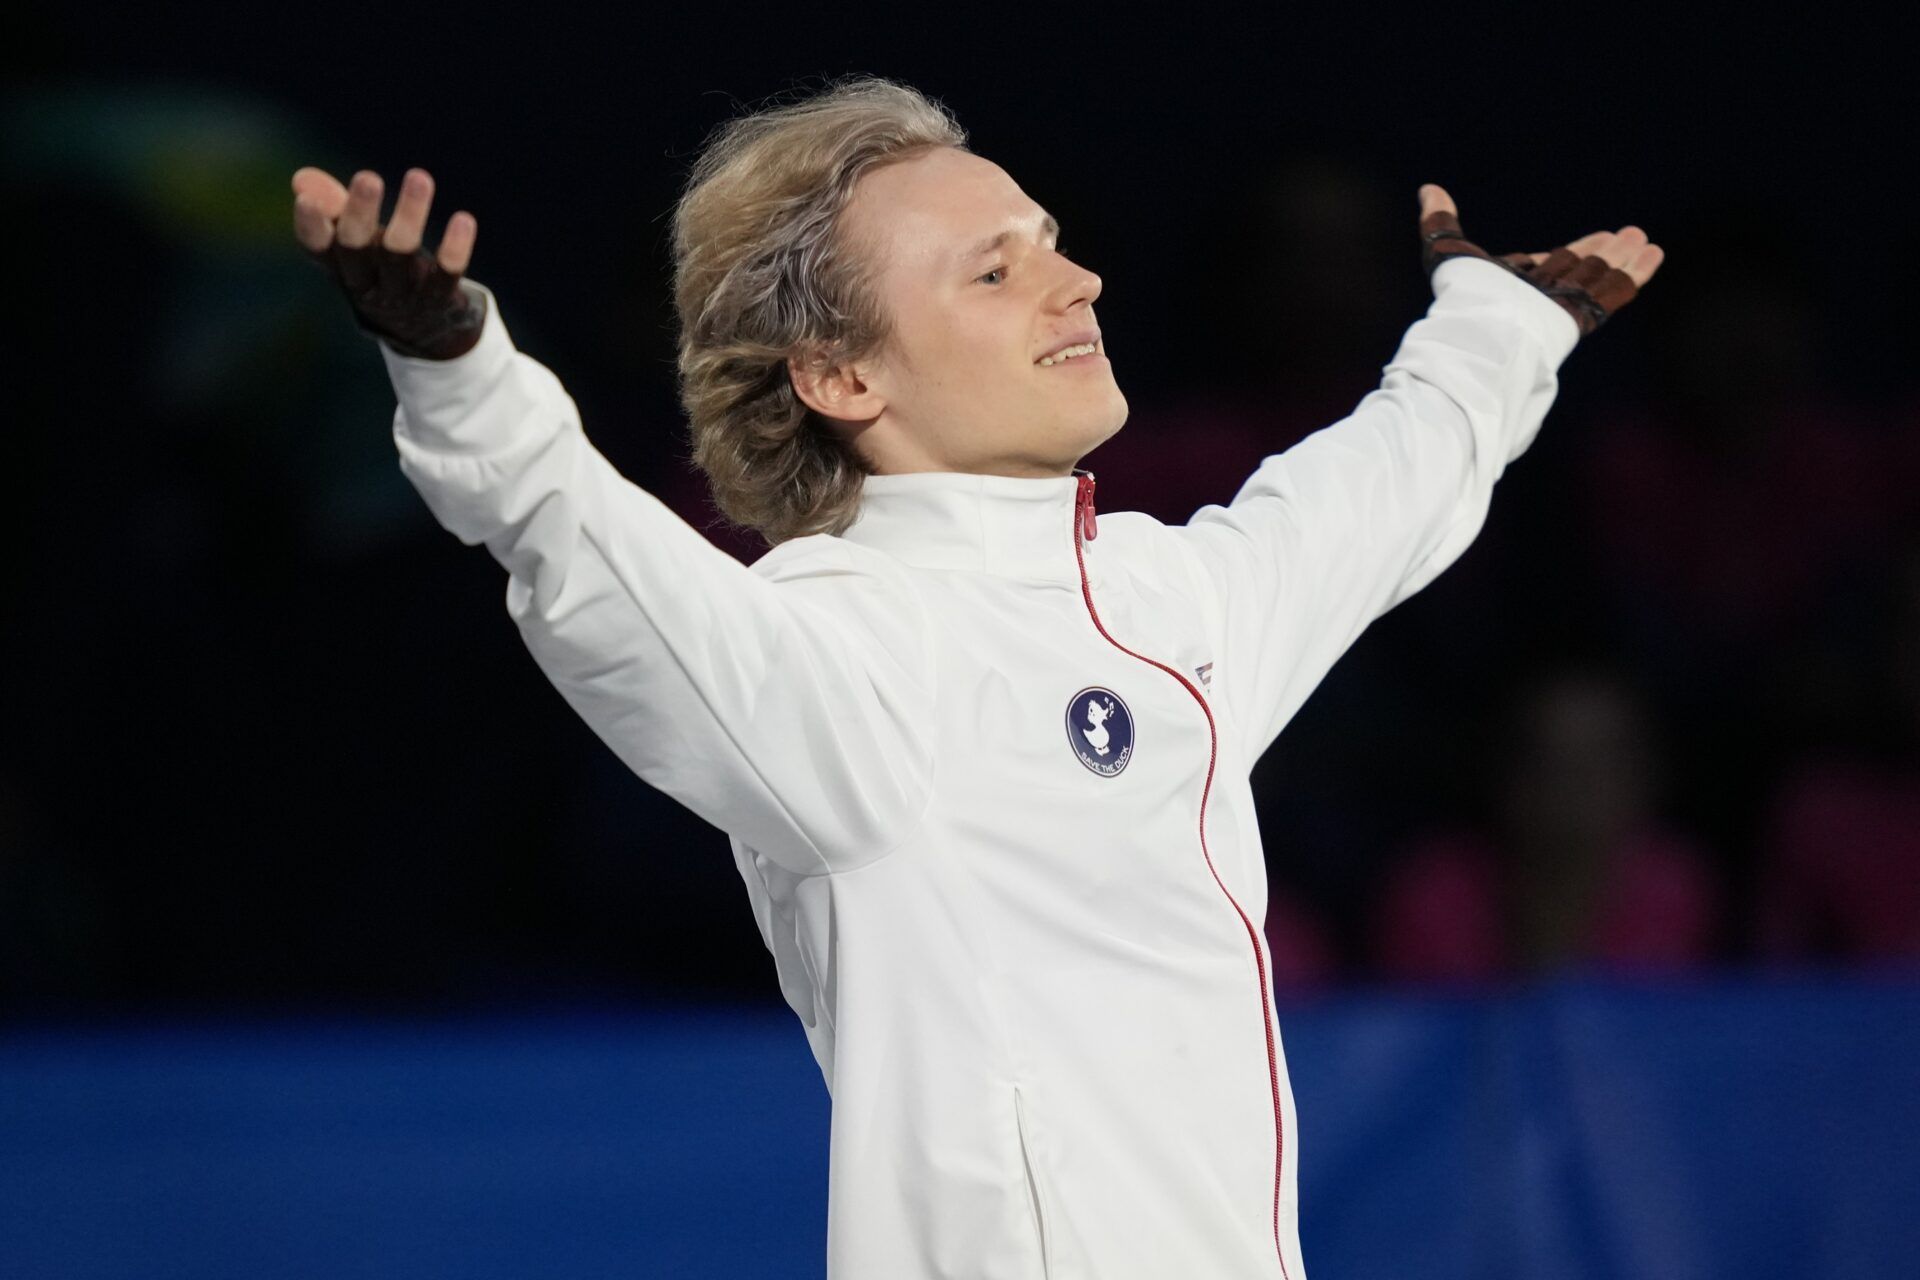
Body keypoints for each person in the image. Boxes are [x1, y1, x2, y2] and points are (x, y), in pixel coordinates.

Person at [290, 76, 1661, 1280]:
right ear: (836, 373)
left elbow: (1367, 500)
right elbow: (596, 565)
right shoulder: (838, 652)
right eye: (993, 273)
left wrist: (1497, 328)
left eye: (1051, 247)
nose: (1078, 285)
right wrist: (457, 368)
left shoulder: (1157, 596)